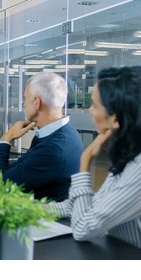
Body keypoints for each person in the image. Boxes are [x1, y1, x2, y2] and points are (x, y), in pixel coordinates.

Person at [0, 72, 83, 202]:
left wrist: (6, 139)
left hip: (44, 221)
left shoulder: (55, 148)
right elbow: (16, 171)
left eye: (25, 98)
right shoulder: (61, 133)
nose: (23, 104)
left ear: (36, 102)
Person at [49, 66, 141, 249]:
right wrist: (37, 209)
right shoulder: (129, 155)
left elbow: (83, 227)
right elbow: (97, 204)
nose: (90, 110)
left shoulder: (138, 167)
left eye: (95, 105)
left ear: (115, 118)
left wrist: (85, 161)